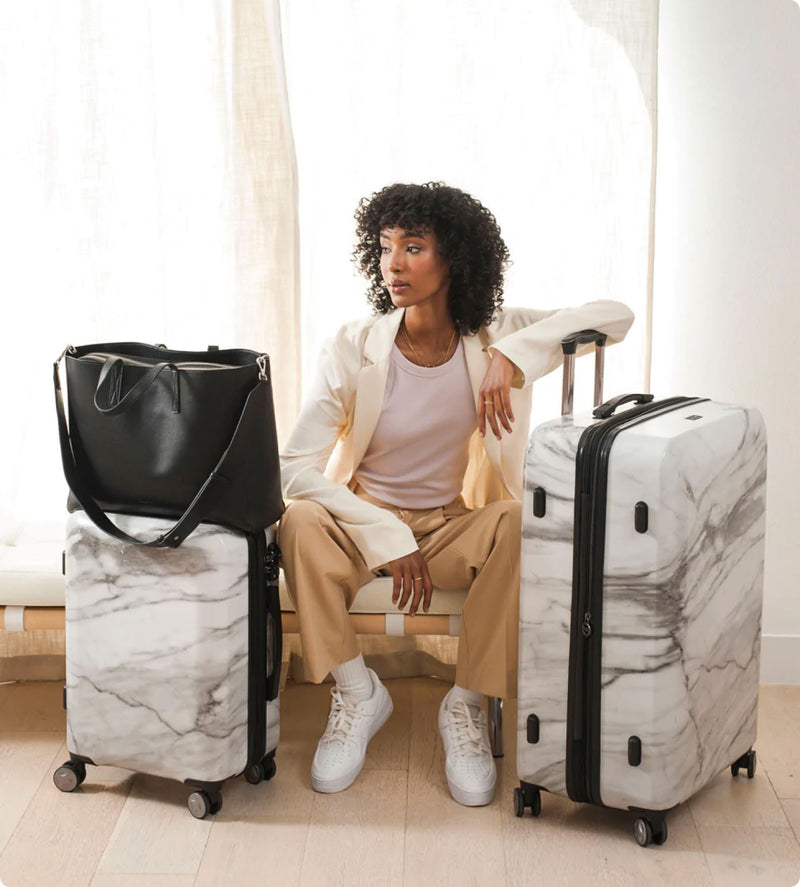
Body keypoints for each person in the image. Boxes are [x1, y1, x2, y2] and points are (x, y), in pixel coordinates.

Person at [279, 182, 634, 806]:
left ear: (455, 261)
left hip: (447, 526)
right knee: (301, 520)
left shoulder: (489, 336)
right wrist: (384, 535)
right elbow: (290, 469)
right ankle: (358, 695)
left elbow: (615, 314)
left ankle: (466, 706)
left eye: (414, 248)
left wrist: (516, 356)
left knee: (520, 521)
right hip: (361, 527)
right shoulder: (353, 345)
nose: (394, 263)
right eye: (387, 247)